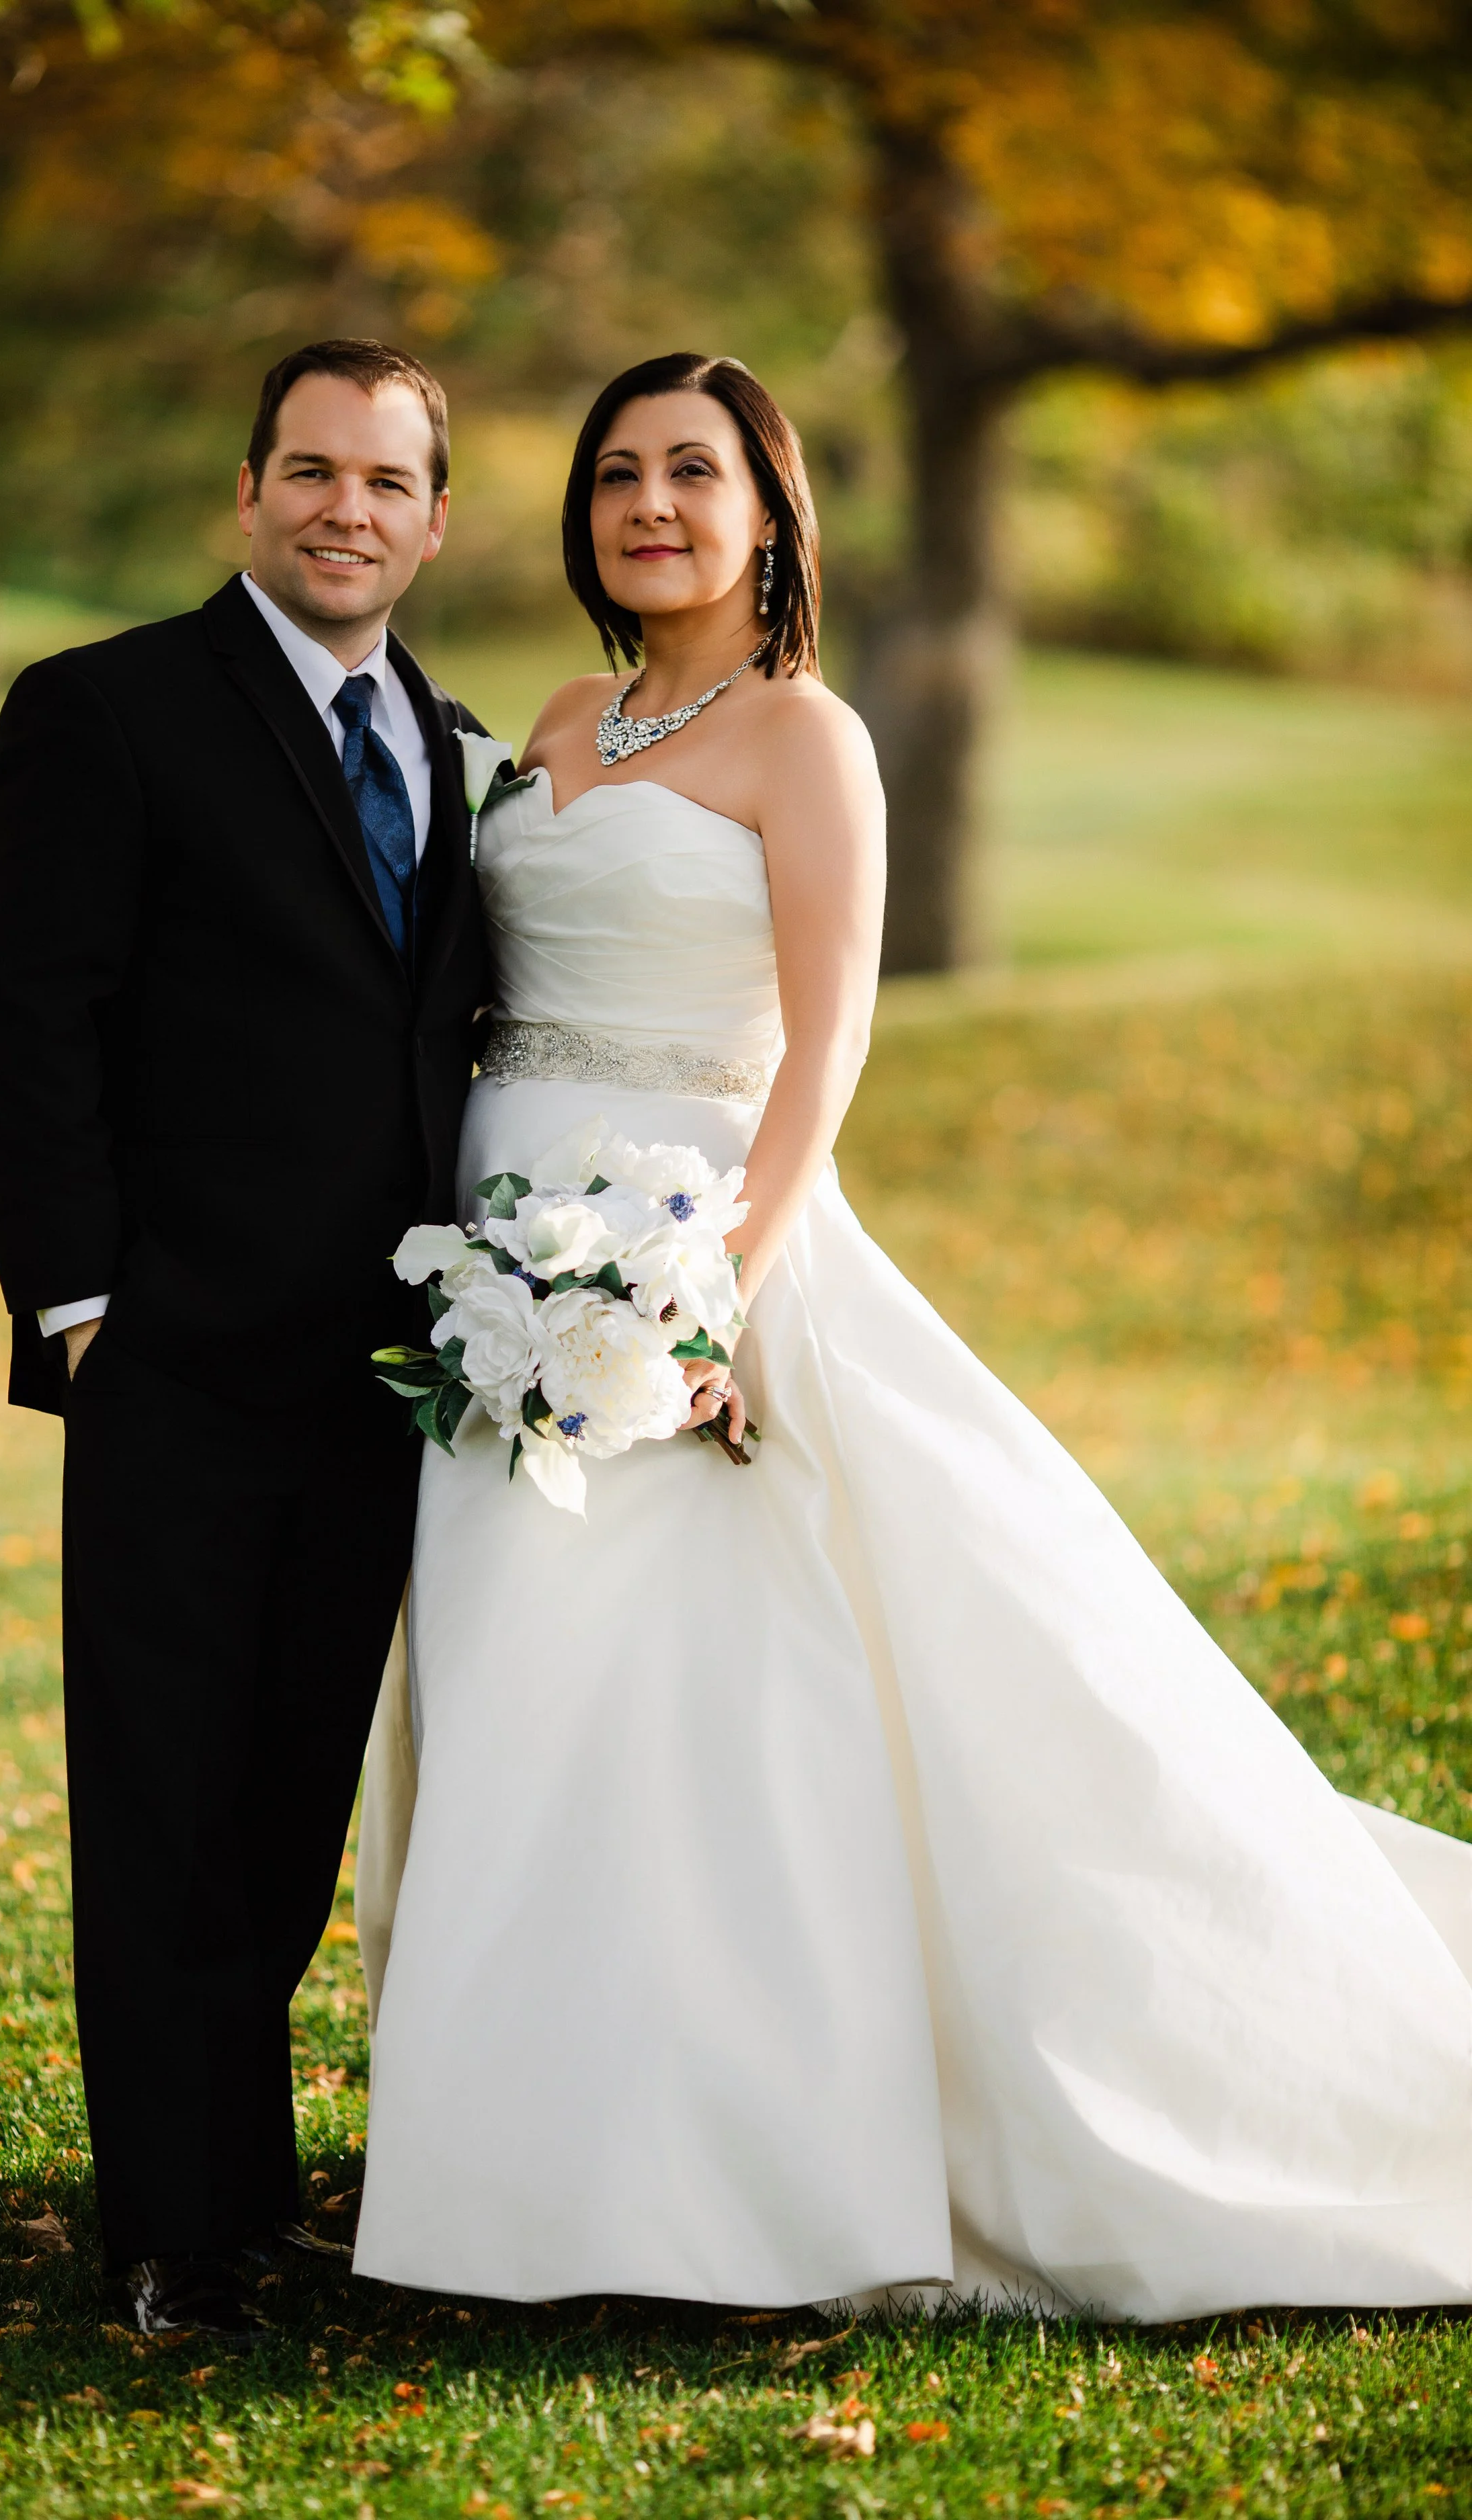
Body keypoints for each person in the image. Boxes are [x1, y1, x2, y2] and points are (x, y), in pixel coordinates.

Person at [350, 349, 1472, 2321]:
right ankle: (539, 2176)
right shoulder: (555, 715)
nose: (650, 507)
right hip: (500, 1258)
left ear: (771, 509)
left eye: (694, 473)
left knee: (728, 1711)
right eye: (617, 475)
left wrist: (708, 1295)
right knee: (531, 1687)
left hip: (694, 1247)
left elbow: (828, 1040)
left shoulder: (809, 739)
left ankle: (750, 2174)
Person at [0, 339, 489, 2339]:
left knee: (283, 1801)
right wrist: (83, 1309)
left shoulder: (442, 739)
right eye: (313, 470)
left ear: (435, 521)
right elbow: (29, 1023)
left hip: (391, 1374)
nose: (347, 507)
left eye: (387, 480)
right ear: (247, 491)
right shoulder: (106, 709)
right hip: (177, 1355)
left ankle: (245, 2192)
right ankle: (175, 2237)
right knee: (170, 1792)